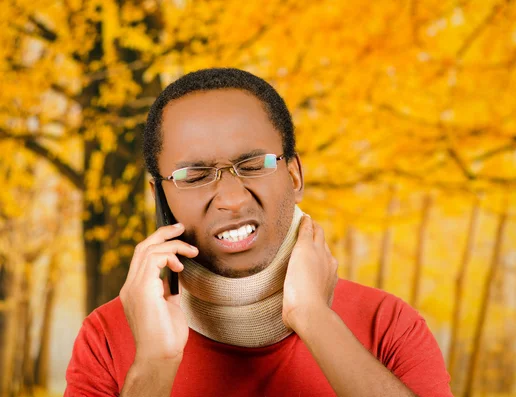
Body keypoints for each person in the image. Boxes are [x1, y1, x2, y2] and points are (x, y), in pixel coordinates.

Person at [64, 68, 452, 397]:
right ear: (160, 196)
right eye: (195, 176)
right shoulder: (107, 337)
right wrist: (153, 365)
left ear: (295, 174)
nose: (231, 199)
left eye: (253, 165)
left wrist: (314, 318)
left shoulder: (388, 323)